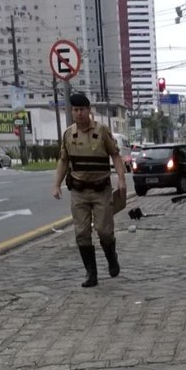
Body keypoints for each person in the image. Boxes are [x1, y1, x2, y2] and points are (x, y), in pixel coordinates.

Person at [52, 92, 126, 288]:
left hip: (101, 190)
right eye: (75, 110)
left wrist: (121, 179)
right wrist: (56, 184)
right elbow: (63, 161)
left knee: (104, 231)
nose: (79, 114)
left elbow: (116, 156)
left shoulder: (102, 131)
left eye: (82, 110)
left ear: (89, 110)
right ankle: (91, 273)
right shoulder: (69, 134)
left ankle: (111, 257)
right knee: (81, 233)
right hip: (78, 191)